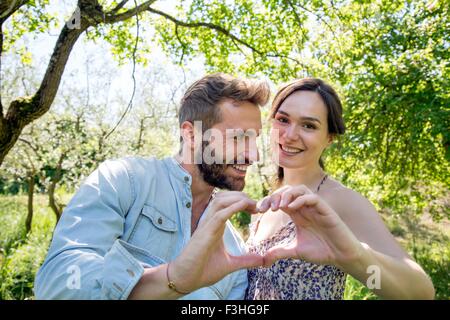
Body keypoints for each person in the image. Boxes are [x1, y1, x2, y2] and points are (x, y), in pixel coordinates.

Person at [34, 73, 270, 300]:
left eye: (255, 139)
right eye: (238, 138)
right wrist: (170, 278)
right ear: (191, 134)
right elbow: (59, 280)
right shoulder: (123, 180)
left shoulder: (233, 251)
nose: (253, 155)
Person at [244, 78, 435, 300]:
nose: (290, 135)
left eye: (309, 125)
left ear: (329, 138)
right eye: (283, 119)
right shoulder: (265, 206)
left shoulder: (340, 201)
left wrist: (352, 256)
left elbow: (420, 293)